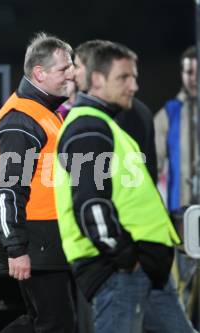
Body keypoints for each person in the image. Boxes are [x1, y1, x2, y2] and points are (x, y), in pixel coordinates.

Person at [54, 41, 194, 332]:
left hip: (143, 269)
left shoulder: (106, 125)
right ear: (96, 80)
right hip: (121, 270)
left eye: (134, 77)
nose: (134, 86)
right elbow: (90, 204)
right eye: (123, 77)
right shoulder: (87, 129)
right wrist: (125, 258)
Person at [0, 32, 76, 333]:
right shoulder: (21, 118)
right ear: (39, 73)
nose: (72, 74)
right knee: (55, 324)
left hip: (48, 239)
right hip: (35, 239)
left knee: (51, 322)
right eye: (64, 68)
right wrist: (16, 248)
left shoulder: (44, 112)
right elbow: (8, 191)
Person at [154, 45, 200, 327]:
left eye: (198, 71)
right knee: (181, 294)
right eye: (188, 71)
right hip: (183, 220)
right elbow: (151, 166)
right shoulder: (170, 113)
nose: (193, 77)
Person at [74, 39, 157, 182]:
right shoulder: (136, 110)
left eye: (77, 66)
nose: (72, 73)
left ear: (94, 71)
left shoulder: (95, 119)